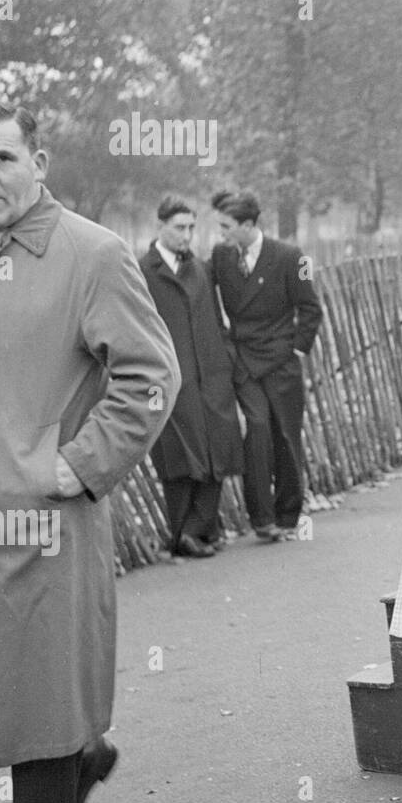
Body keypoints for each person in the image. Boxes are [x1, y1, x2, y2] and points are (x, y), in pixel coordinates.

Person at [0, 100, 180, 803]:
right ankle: (84, 761)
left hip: (39, 523)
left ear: (40, 161)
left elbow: (150, 377)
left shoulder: (91, 254)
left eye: (1, 159)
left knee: (41, 696)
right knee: (4, 694)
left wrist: (79, 465)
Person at [210, 190, 322, 543]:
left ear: (247, 225)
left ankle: (288, 515)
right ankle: (262, 518)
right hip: (244, 361)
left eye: (227, 227)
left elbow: (310, 309)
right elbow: (206, 297)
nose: (222, 234)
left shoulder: (288, 257)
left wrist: (297, 350)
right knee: (257, 429)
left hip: (281, 362)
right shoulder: (221, 256)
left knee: (287, 436)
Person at [139, 195, 245, 558]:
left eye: (190, 228)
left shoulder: (200, 268)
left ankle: (199, 531)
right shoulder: (142, 272)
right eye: (179, 228)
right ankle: (185, 533)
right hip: (172, 379)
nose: (186, 235)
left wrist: (225, 359)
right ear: (160, 227)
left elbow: (217, 320)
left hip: (211, 373)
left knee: (218, 450)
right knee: (180, 457)